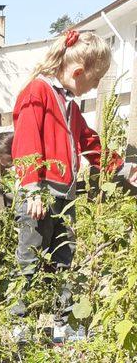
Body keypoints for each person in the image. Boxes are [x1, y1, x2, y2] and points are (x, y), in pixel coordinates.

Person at [11, 29, 137, 342]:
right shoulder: (36, 93)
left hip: (65, 198)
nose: (93, 88)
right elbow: (27, 141)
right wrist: (32, 188)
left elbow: (89, 142)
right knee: (29, 260)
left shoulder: (70, 105)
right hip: (38, 198)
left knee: (63, 260)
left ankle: (61, 325)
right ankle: (19, 327)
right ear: (78, 72)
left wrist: (121, 167)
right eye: (93, 82)